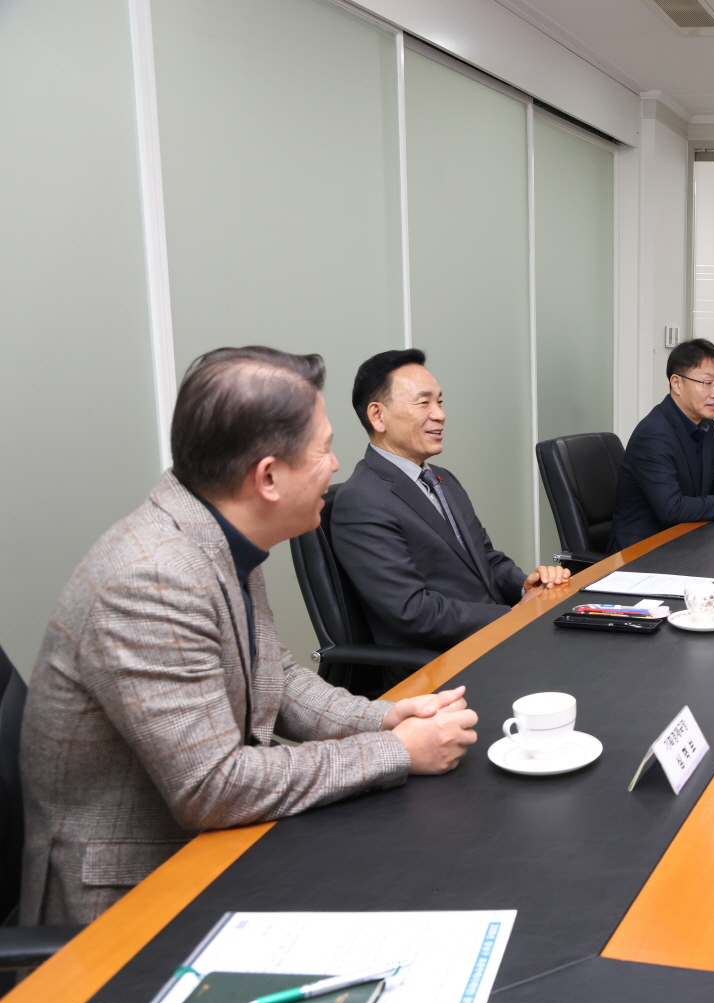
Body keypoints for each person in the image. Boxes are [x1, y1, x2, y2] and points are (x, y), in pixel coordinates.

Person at [19, 347, 480, 925]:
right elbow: (212, 785)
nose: (337, 466)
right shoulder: (154, 577)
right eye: (325, 449)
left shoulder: (222, 529)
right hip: (132, 895)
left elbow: (278, 679)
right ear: (267, 477)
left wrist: (386, 716)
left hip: (215, 845)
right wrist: (396, 751)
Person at [333, 350, 570, 655]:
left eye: (440, 402)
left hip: (493, 638)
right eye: (424, 402)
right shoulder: (361, 500)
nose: (440, 414)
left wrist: (525, 586)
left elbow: (486, 559)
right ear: (378, 415)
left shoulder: (441, 478)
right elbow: (413, 610)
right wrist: (514, 615)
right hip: (443, 662)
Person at [611, 338, 714, 551]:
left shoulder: (706, 425)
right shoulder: (653, 434)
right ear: (676, 383)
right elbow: (672, 508)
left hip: (688, 541)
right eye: (707, 383)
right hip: (644, 553)